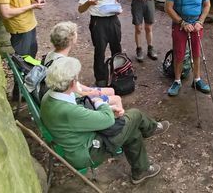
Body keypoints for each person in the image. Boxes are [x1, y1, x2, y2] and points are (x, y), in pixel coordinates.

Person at [41, 57, 170, 184]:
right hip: (88, 151)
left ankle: (141, 170)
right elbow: (107, 120)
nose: (77, 80)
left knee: (131, 130)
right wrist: (101, 103)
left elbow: (79, 100)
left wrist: (108, 107)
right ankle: (151, 129)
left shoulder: (50, 96)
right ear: (71, 83)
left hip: (78, 137)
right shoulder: (67, 111)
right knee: (135, 115)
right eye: (76, 78)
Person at [43, 21, 123, 113]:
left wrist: (88, 89)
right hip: (75, 100)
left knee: (111, 90)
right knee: (116, 99)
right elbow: (74, 93)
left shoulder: (50, 55)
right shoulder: (65, 65)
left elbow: (74, 86)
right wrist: (90, 93)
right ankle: (117, 120)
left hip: (66, 93)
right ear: (72, 39)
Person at [164, 0, 211, 97]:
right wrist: (181, 22)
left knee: (196, 53)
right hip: (180, 25)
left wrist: (200, 21)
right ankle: (177, 81)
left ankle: (197, 79)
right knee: (179, 53)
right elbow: (168, 7)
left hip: (197, 24)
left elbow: (207, 4)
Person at [78, 0, 122, 87]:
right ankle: (101, 78)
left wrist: (118, 8)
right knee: (100, 51)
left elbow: (116, 1)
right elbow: (80, 9)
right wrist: (88, 3)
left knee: (117, 48)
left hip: (113, 19)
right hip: (98, 21)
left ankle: (118, 74)